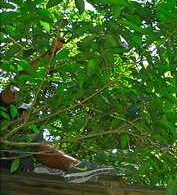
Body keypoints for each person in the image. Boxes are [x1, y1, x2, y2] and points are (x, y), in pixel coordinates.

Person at [0, 37, 115, 183]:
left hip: (20, 174)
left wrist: (51, 53)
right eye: (22, 114)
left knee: (33, 141)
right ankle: (78, 168)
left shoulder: (27, 139)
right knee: (31, 141)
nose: (25, 120)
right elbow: (17, 81)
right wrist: (48, 54)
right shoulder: (5, 118)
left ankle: (72, 169)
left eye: (28, 117)